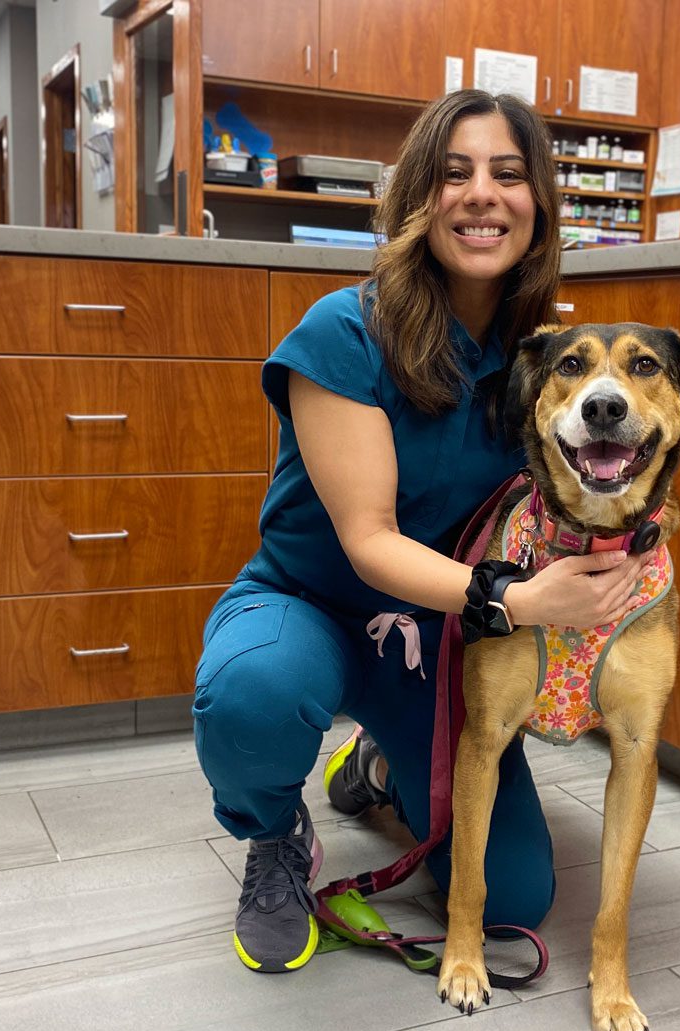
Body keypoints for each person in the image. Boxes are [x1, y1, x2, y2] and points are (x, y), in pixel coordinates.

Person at [192, 89, 651, 974]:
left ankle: (374, 767)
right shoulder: (343, 330)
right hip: (314, 605)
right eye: (455, 174)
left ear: (540, 206)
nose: (483, 194)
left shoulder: (540, 360)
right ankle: (275, 835)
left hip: (439, 641)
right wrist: (518, 599)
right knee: (252, 698)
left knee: (516, 898)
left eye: (509, 175)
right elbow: (368, 540)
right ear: (417, 198)